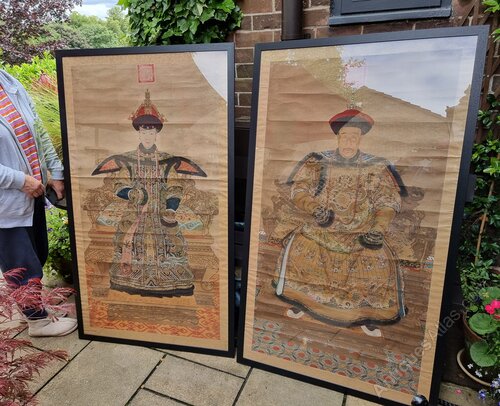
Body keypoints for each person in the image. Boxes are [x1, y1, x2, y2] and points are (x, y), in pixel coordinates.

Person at [272, 108, 407, 337]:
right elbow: (300, 190)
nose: (349, 141)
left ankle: (367, 314)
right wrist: (314, 208)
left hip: (361, 230)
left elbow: (387, 201)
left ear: (361, 139)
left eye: (354, 137)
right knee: (300, 246)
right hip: (322, 227)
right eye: (345, 136)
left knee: (378, 259)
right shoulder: (319, 161)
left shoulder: (376, 166)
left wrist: (378, 228)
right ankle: (303, 301)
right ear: (338, 137)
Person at [91, 90, 207, 297]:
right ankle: (128, 279)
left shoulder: (166, 160)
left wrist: (170, 208)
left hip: (161, 210)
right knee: (127, 240)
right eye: (144, 132)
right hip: (135, 210)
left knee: (172, 240)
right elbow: (119, 184)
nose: (147, 136)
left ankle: (171, 281)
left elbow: (175, 186)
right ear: (138, 133)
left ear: (156, 134)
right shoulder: (127, 159)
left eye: (151, 132)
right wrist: (132, 193)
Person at [0, 69, 77, 337]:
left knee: (36, 254)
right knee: (21, 265)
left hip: (31, 192)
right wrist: (21, 181)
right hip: (7, 203)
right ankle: (38, 322)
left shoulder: (7, 81)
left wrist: (55, 172)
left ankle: (32, 309)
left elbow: (38, 130)